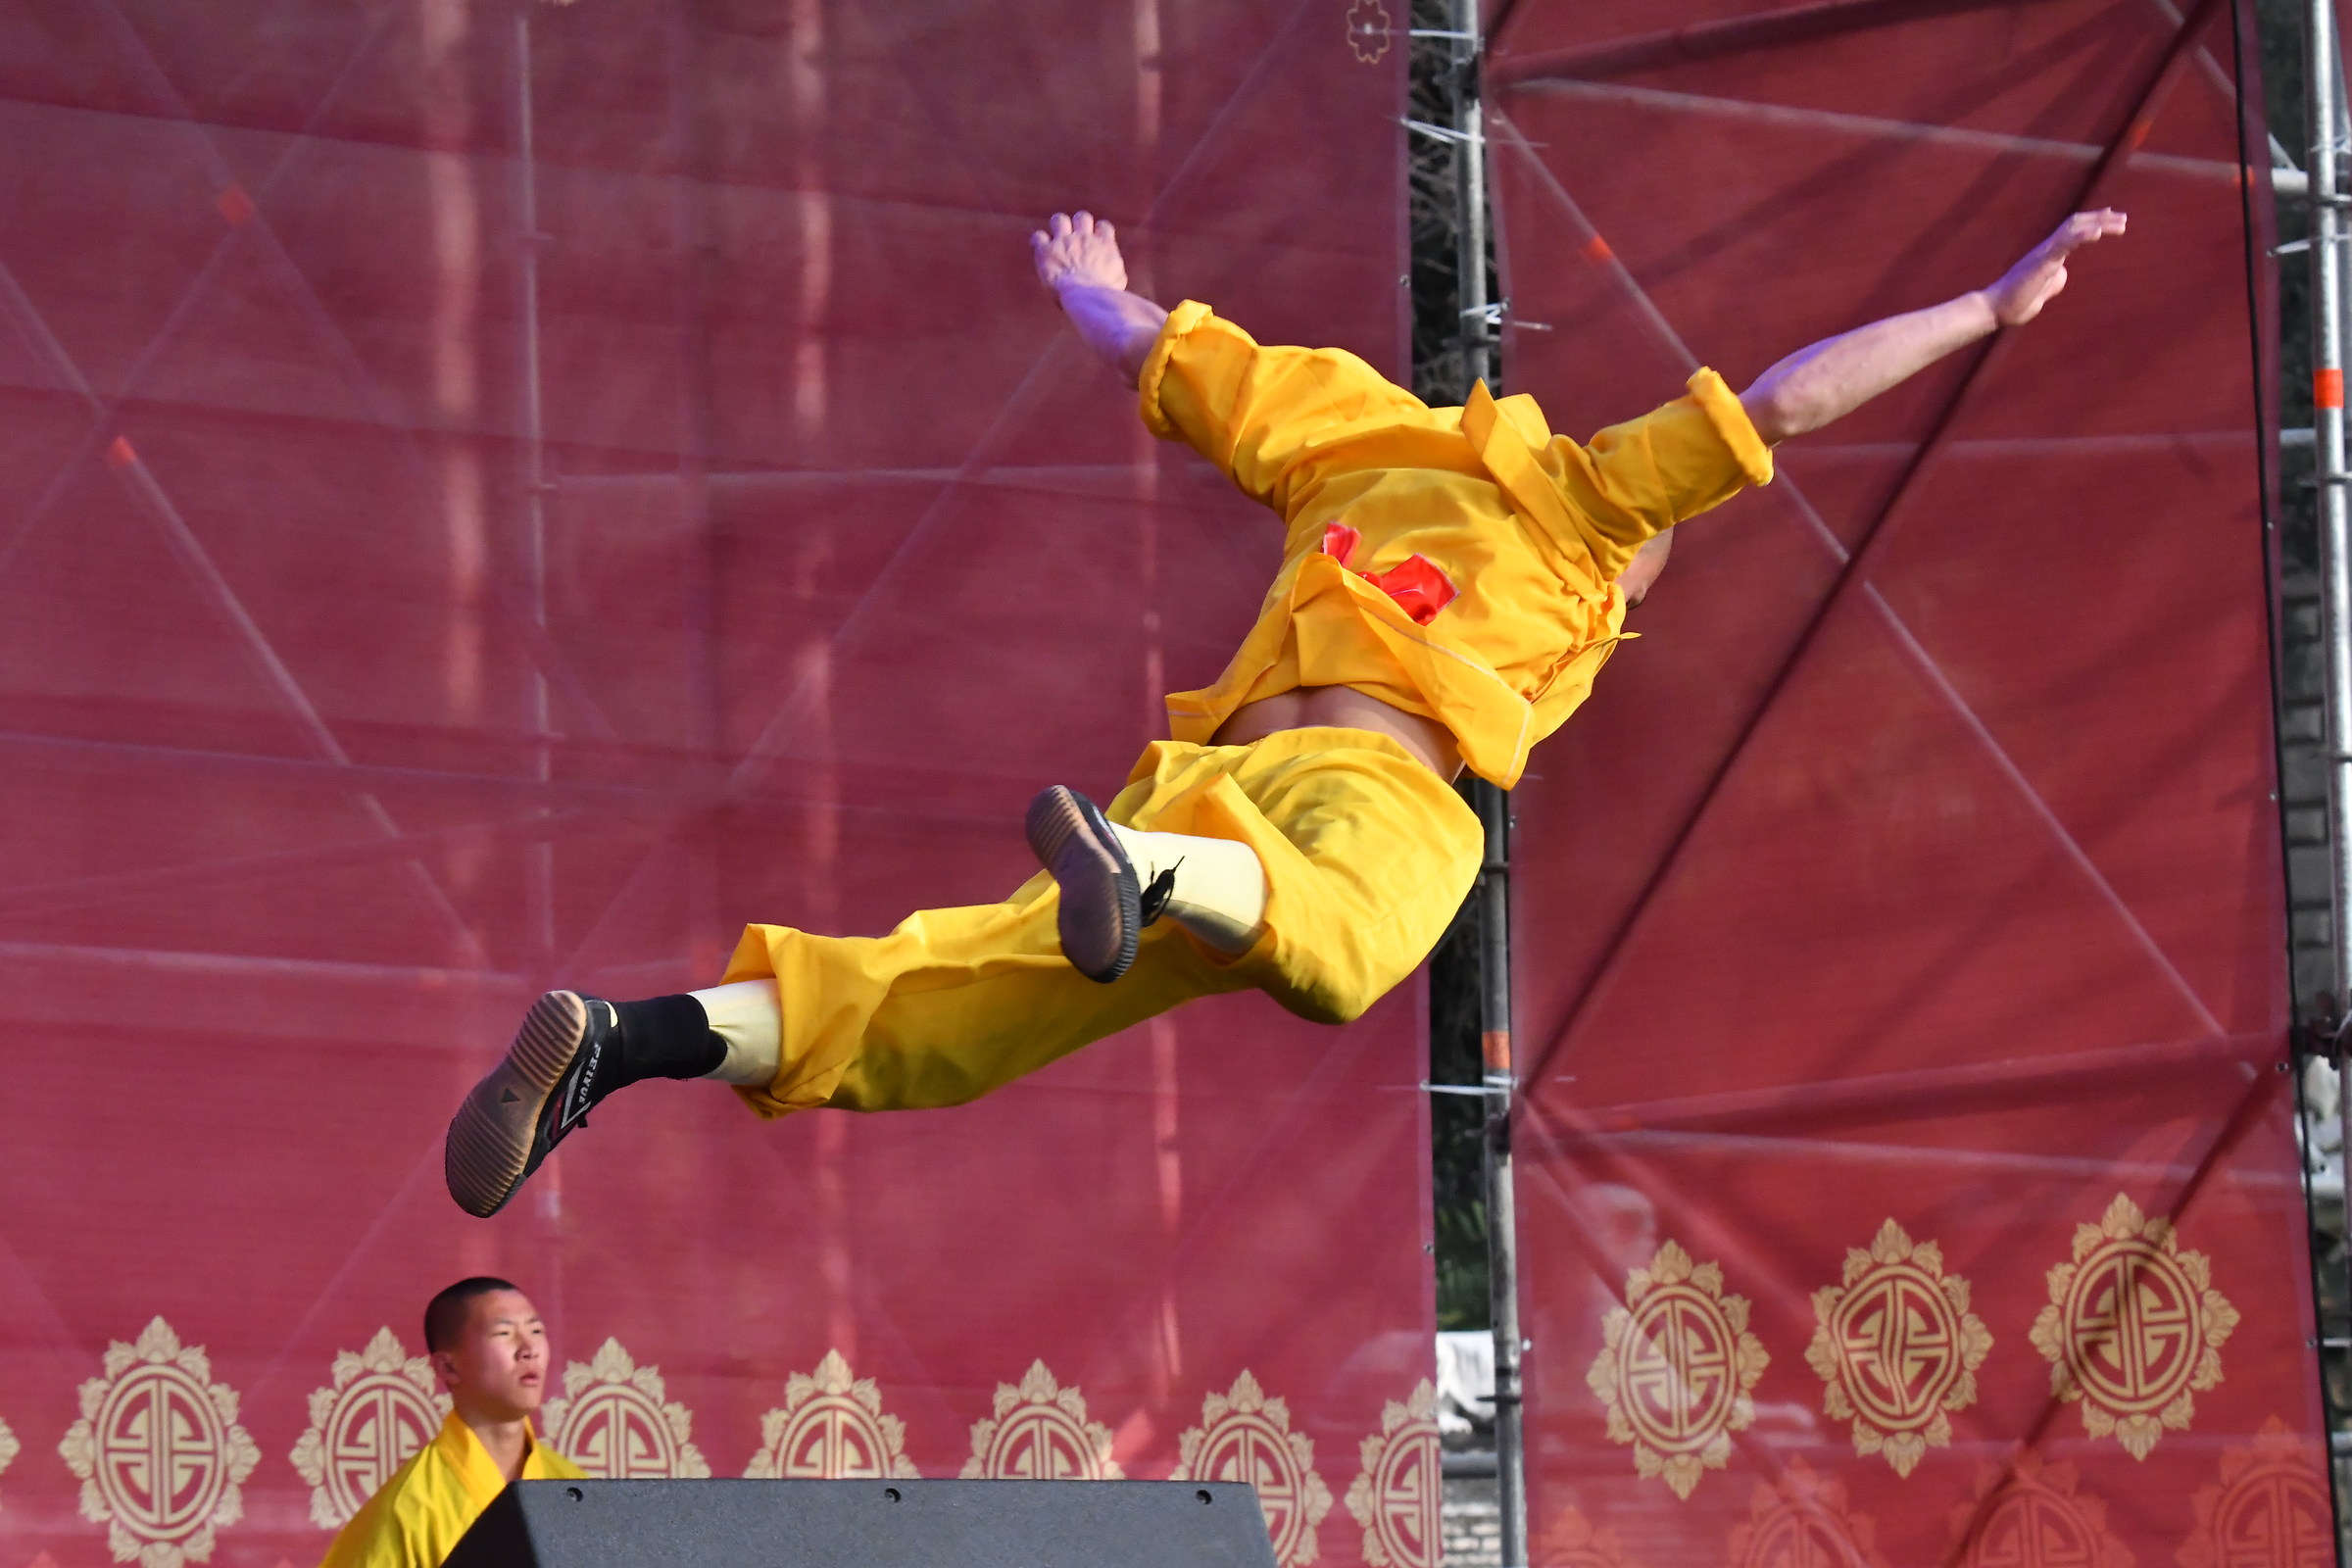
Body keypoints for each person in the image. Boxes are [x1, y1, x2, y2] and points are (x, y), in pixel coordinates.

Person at [444, 206, 2128, 1219]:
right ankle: (1141, 875)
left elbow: (1155, 353)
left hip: (1215, 790)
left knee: (938, 1014)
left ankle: (622, 1042)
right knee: (1361, 944)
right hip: (1365, 799)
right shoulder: (1599, 510)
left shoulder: (1356, 434)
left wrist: (1089, 285)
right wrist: (1989, 309)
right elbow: (1788, 400)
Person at [318, 1278, 583, 1567]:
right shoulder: (407, 1510)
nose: (529, 1349)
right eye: (504, 1333)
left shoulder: (576, 1489)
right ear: (448, 1367)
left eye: (536, 1331)